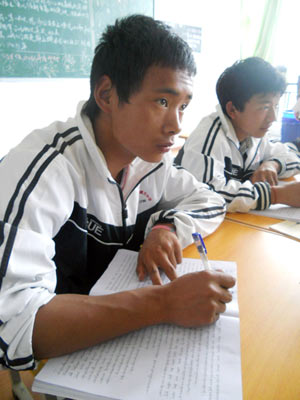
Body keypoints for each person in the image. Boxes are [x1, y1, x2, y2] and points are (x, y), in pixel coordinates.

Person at [0, 15, 235, 370]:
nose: (176, 125)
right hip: (60, 362)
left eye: (183, 106)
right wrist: (163, 304)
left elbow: (211, 200)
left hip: (120, 344)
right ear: (107, 95)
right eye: (161, 102)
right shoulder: (45, 169)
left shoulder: (150, 162)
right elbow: (12, 326)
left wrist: (165, 229)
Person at [175, 57, 300, 213]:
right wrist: (277, 195)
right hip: (183, 228)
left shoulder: (254, 134)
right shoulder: (210, 136)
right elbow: (207, 194)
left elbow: (292, 157)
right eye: (265, 107)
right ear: (232, 109)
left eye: (276, 106)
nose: (273, 117)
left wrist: (273, 164)